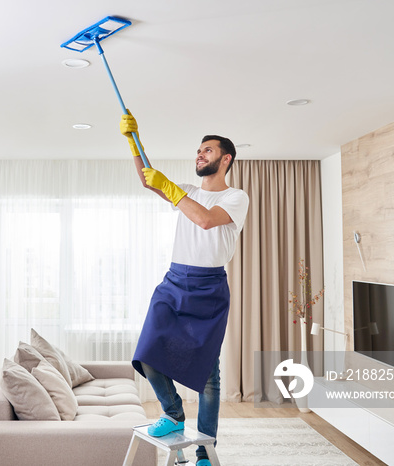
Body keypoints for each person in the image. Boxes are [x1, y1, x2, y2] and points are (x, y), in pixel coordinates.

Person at [120, 111, 249, 466]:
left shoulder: (236, 197)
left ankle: (205, 450)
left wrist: (173, 190)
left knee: (209, 374)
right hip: (174, 282)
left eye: (207, 150)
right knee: (147, 352)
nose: (199, 155)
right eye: (198, 150)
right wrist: (134, 140)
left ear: (226, 159)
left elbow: (206, 220)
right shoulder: (189, 192)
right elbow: (150, 180)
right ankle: (173, 413)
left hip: (209, 289)